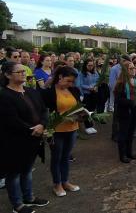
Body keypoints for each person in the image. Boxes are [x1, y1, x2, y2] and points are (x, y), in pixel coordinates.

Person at [0, 62, 49, 213]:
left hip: (34, 139)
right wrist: (31, 130)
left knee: (27, 170)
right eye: (19, 71)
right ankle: (18, 205)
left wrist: (42, 125)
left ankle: (29, 197)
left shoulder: (31, 91)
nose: (23, 73)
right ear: (8, 75)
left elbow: (43, 110)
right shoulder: (4, 95)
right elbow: (11, 120)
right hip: (15, 141)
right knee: (14, 173)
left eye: (24, 71)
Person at [42, 66, 81, 197]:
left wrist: (81, 116)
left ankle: (65, 181)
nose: (70, 84)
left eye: (72, 82)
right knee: (56, 157)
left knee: (66, 156)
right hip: (57, 130)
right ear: (60, 77)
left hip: (72, 129)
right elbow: (44, 112)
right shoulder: (49, 93)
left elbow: (78, 106)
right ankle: (57, 184)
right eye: (68, 81)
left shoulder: (74, 90)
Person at [113, 61, 136, 163]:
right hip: (124, 112)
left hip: (133, 111)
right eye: (131, 68)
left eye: (134, 68)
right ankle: (122, 155)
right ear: (125, 70)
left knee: (130, 133)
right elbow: (118, 100)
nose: (134, 70)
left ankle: (129, 152)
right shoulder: (121, 83)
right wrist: (130, 102)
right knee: (123, 134)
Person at [80, 59, 99, 135]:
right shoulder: (81, 73)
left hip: (94, 93)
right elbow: (80, 84)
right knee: (86, 110)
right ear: (85, 65)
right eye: (89, 65)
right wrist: (89, 87)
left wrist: (96, 86)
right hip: (86, 94)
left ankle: (91, 125)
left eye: (92, 65)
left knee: (92, 109)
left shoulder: (95, 72)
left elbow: (98, 81)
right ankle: (87, 126)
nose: (91, 67)